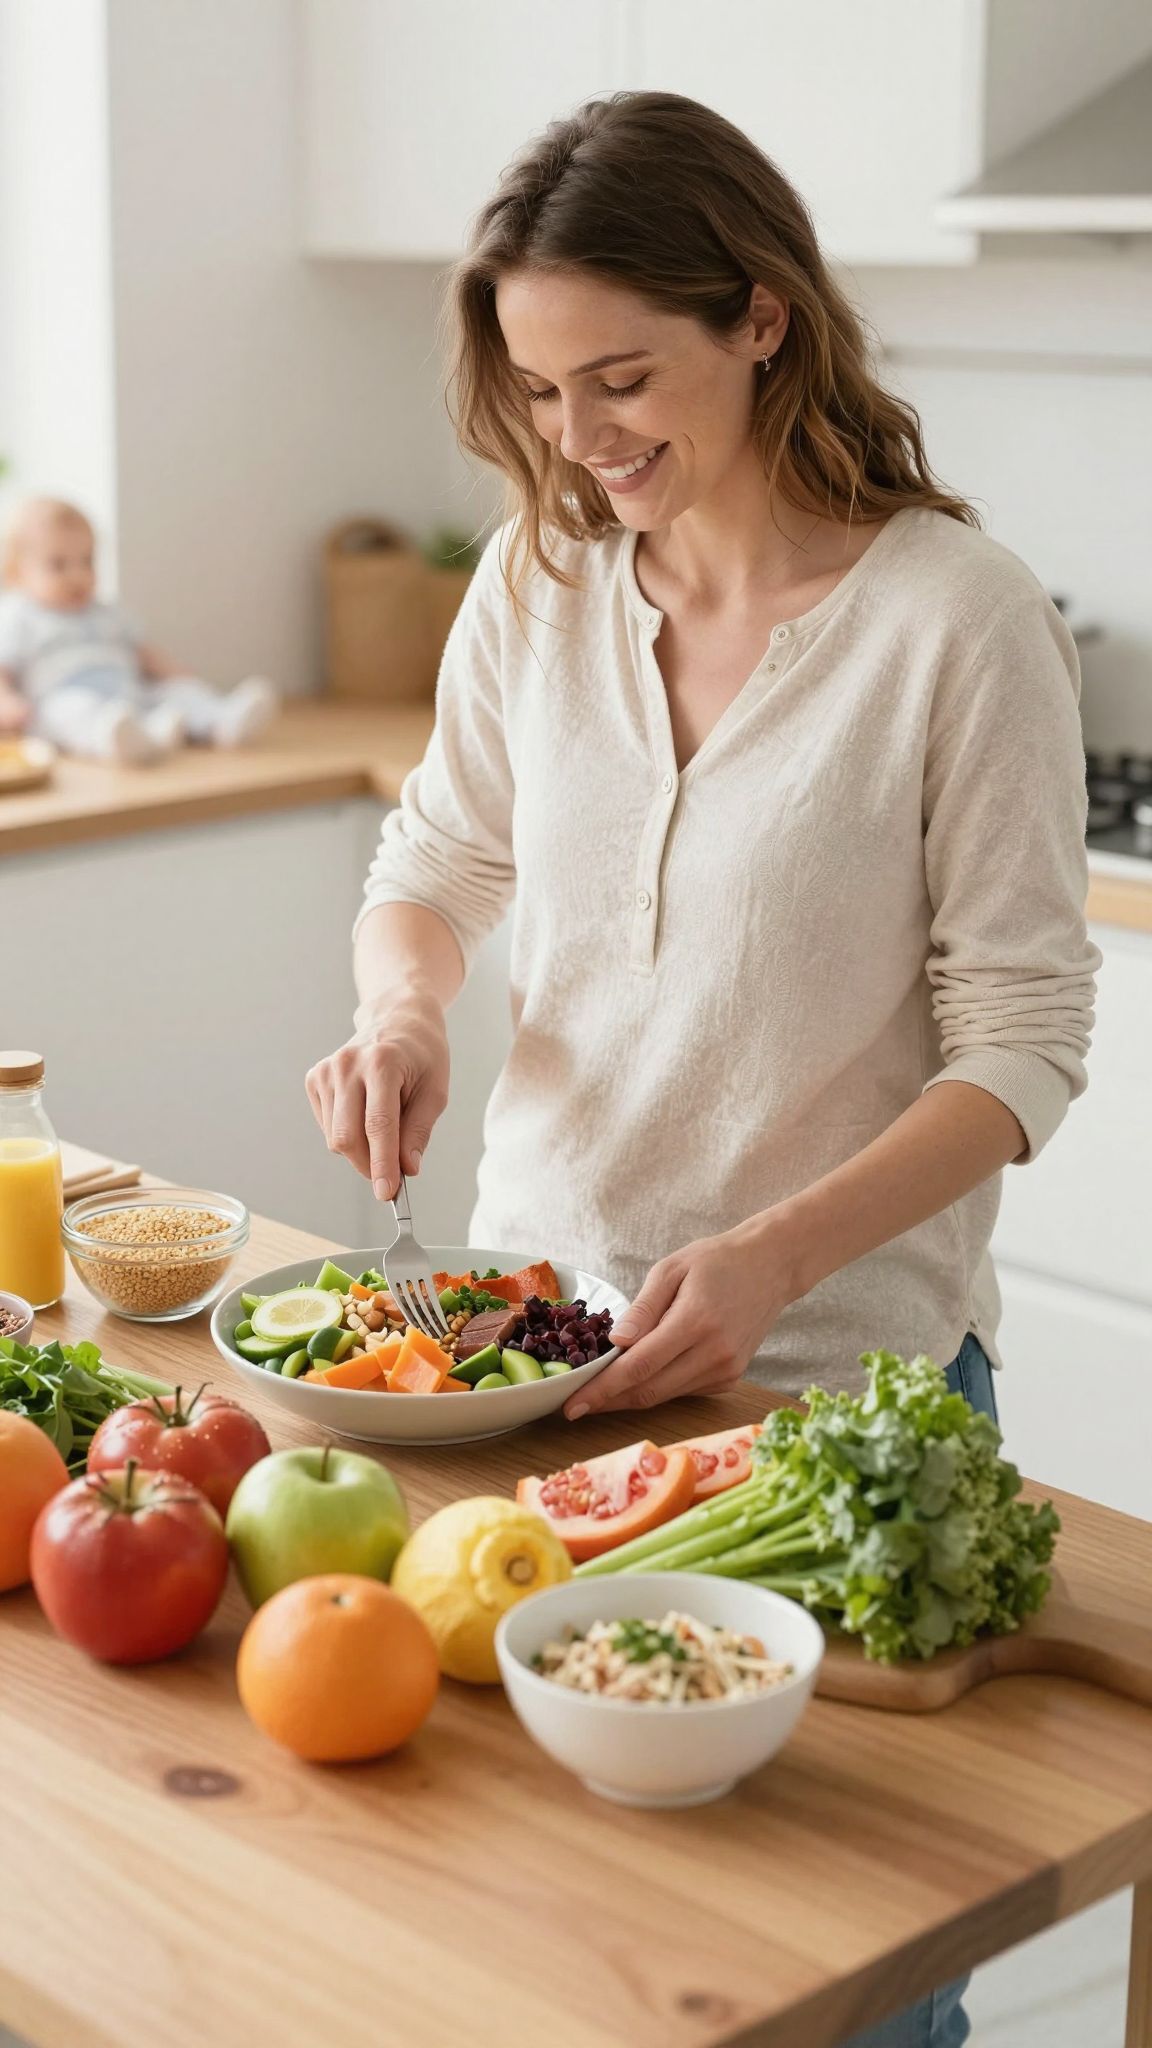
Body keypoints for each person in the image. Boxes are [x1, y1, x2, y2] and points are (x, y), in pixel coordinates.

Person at [306, 91, 1098, 2048]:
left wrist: (767, 1258)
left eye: (621, 376)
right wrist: (406, 1013)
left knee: (848, 1992)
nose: (580, 440)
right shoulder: (543, 583)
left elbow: (1023, 1045)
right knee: (552, 1961)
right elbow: (437, 864)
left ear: (759, 317)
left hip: (831, 1412)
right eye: (539, 388)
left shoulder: (956, 623)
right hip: (533, 1376)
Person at [0, 498, 278, 761]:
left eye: (87, 561)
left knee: (177, 693)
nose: (78, 575)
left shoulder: (106, 613)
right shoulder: (20, 617)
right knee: (67, 713)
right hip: (63, 697)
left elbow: (143, 652)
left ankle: (222, 720)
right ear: (16, 572)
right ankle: (117, 740)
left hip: (129, 693)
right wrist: (6, 700)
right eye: (58, 565)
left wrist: (176, 674)